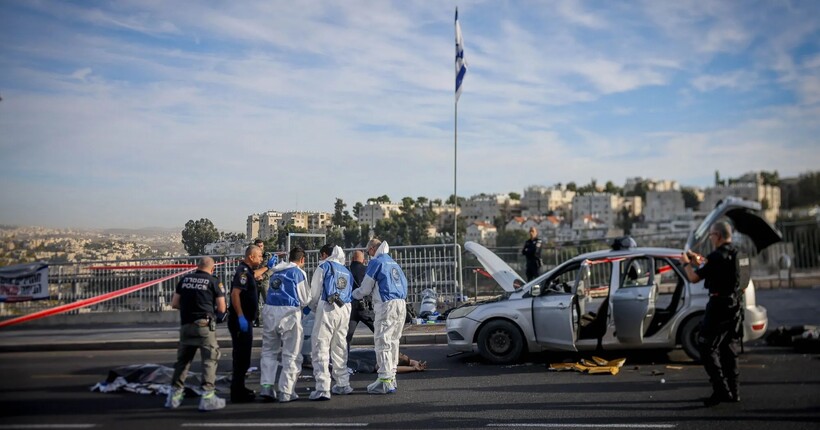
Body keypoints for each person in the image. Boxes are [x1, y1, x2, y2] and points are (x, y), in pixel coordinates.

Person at [681, 221, 744, 407]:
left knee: (706, 347)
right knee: (728, 349)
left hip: (718, 306)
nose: (710, 238)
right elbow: (718, 268)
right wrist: (697, 260)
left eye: (710, 235)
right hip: (735, 305)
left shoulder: (717, 256)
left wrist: (686, 264)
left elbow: (693, 278)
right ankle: (735, 392)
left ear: (718, 235)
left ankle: (721, 389)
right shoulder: (739, 254)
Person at [165, 257, 227, 411]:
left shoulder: (185, 279)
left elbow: (174, 303)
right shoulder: (213, 281)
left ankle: (173, 397)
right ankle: (207, 398)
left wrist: (189, 310)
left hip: (186, 325)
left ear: (197, 266)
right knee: (209, 360)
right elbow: (222, 308)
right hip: (204, 326)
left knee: (183, 362)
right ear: (212, 269)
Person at [352, 238, 408, 394]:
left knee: (382, 340)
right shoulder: (393, 262)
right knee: (394, 341)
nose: (369, 254)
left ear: (372, 249)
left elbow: (365, 288)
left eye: (368, 251)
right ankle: (392, 377)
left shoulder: (376, 262)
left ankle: (384, 380)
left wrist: (354, 294)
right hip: (401, 303)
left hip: (386, 304)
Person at [259, 246, 310, 403]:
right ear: (302, 260)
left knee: (269, 351)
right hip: (288, 313)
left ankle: (266, 387)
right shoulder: (298, 273)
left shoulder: (277, 271)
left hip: (269, 310)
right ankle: (286, 391)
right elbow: (305, 298)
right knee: (291, 353)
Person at [307, 244, 354, 400]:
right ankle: (343, 383)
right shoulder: (347, 271)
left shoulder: (324, 266)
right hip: (345, 309)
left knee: (320, 346)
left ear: (326, 255)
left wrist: (312, 308)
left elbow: (314, 293)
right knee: (340, 346)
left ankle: (322, 388)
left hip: (327, 307)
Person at [227, 245, 262, 403]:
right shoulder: (242, 272)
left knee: (243, 358)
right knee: (241, 358)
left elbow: (253, 275)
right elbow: (235, 293)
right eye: (259, 256)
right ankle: (237, 392)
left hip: (246, 320)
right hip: (241, 320)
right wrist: (241, 316)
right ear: (251, 257)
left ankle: (239, 388)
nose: (261, 259)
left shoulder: (247, 271)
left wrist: (268, 267)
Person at [346, 249, 375, 349]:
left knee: (347, 337)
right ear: (363, 261)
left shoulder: (346, 269)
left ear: (352, 259)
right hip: (365, 307)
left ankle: (344, 361)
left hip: (350, 308)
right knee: (379, 332)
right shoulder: (367, 270)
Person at [252, 239, 277, 328]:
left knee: (268, 301)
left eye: (261, 246)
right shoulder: (252, 255)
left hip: (265, 281)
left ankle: (270, 320)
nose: (260, 248)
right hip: (254, 280)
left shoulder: (268, 256)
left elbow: (272, 269)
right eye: (258, 246)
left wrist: (264, 276)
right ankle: (256, 320)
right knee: (255, 302)